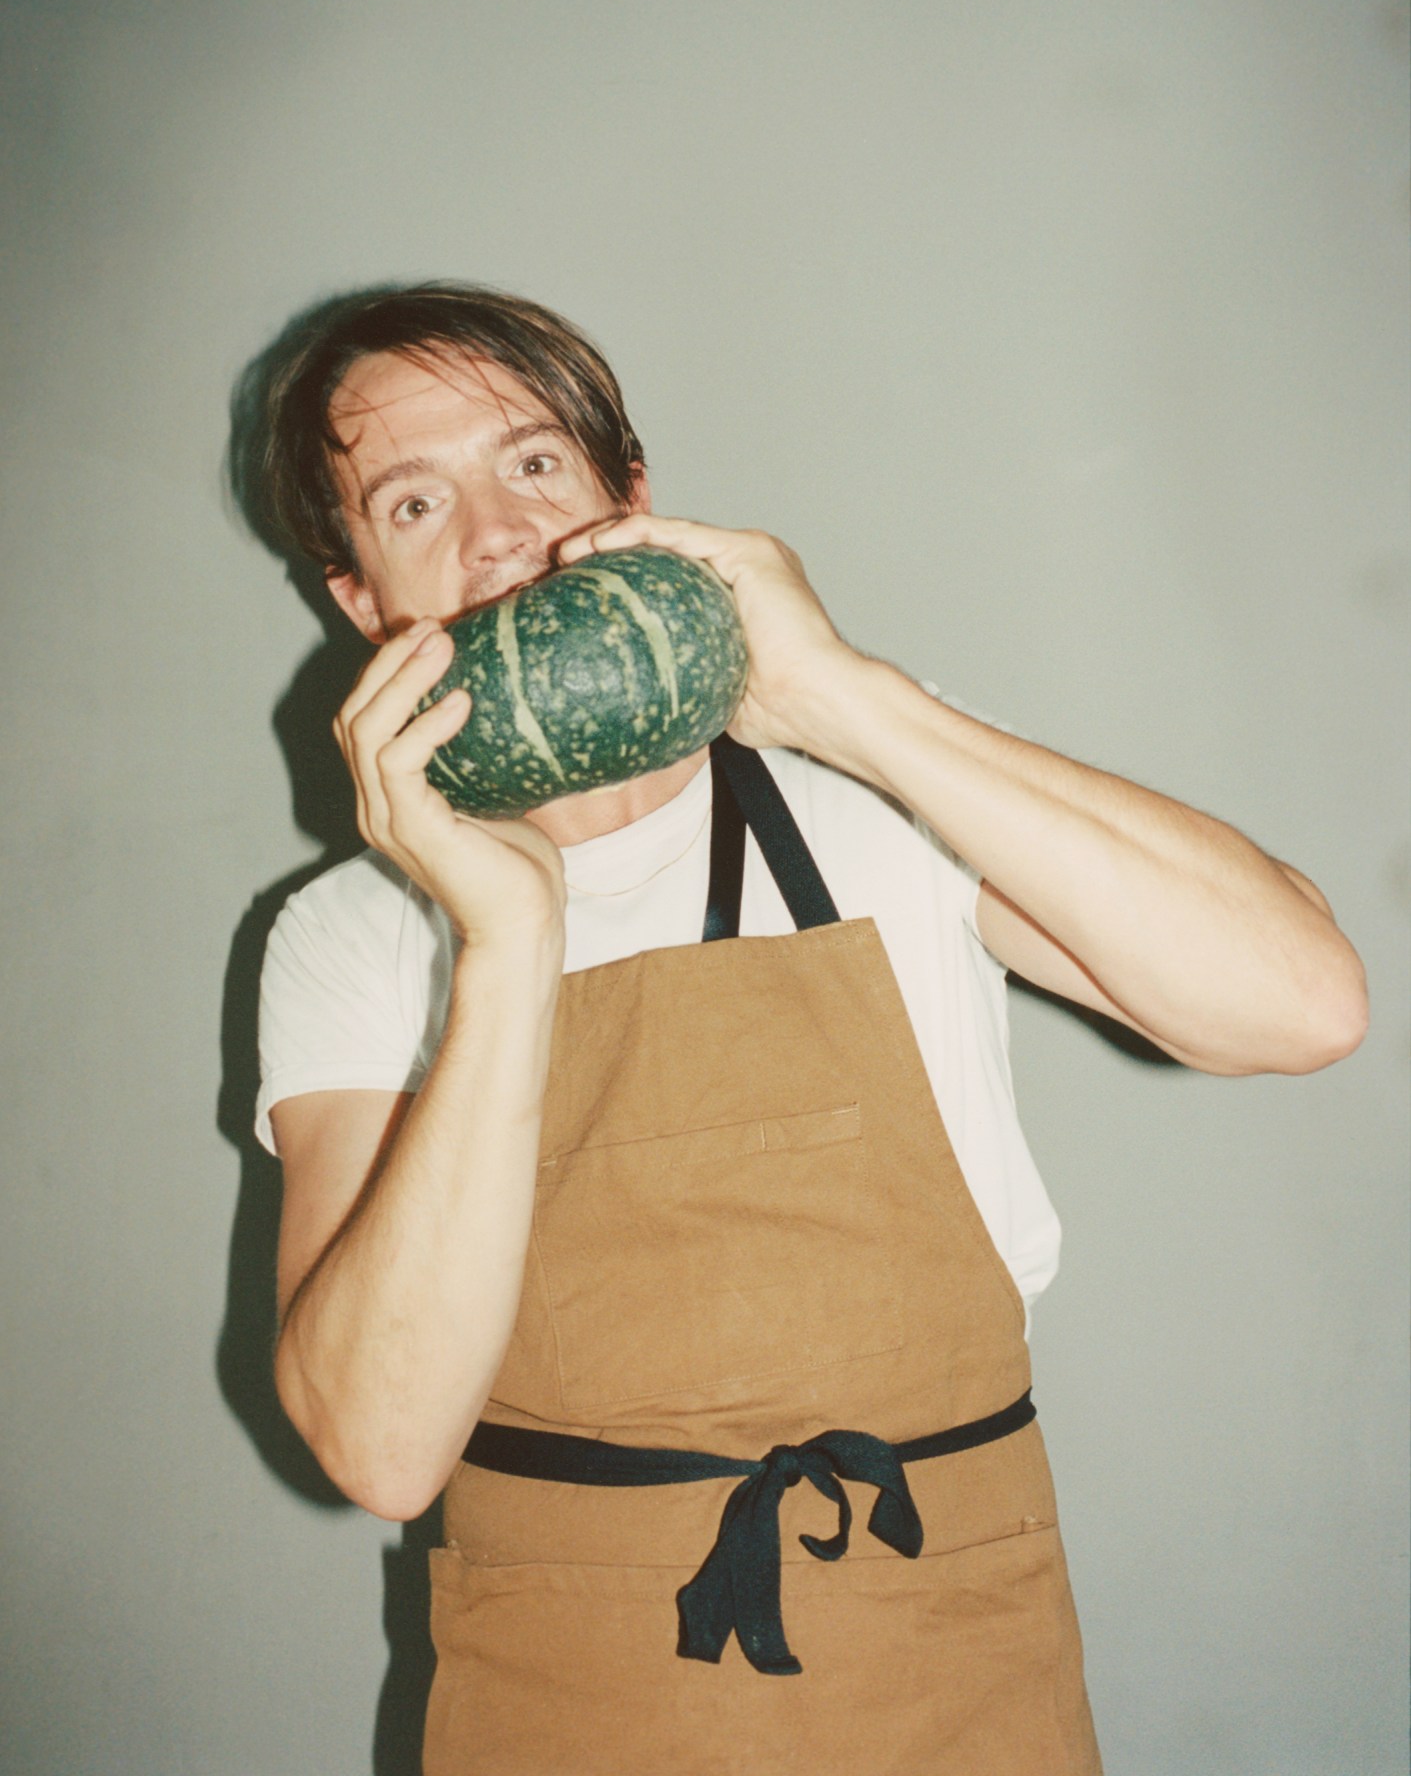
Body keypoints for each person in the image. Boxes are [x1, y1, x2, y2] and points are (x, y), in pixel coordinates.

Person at [251, 281, 1367, 1775]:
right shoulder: (352, 936)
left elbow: (1303, 1005)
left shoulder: (879, 802)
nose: (499, 538)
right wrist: (510, 945)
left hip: (957, 1648)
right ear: (363, 600)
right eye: (412, 503)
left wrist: (843, 696)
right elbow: (378, 1448)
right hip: (564, 1690)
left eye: (533, 465)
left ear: (631, 500)